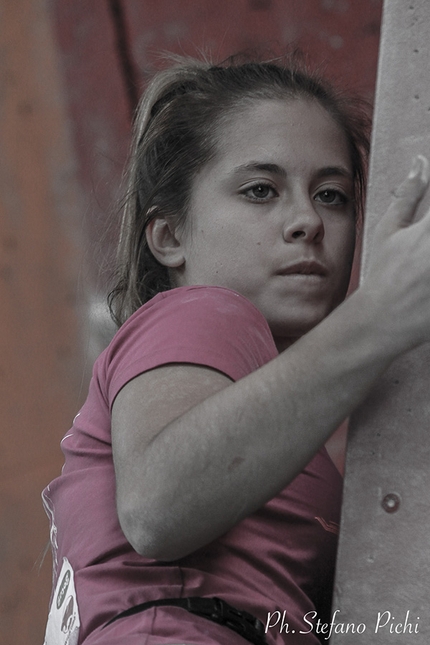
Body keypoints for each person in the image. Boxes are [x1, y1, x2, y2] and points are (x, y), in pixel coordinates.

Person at [42, 53, 430, 645]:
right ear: (170, 237)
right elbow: (158, 509)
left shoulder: (299, 416)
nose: (306, 220)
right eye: (259, 190)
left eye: (332, 196)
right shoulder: (205, 310)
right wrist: (376, 316)